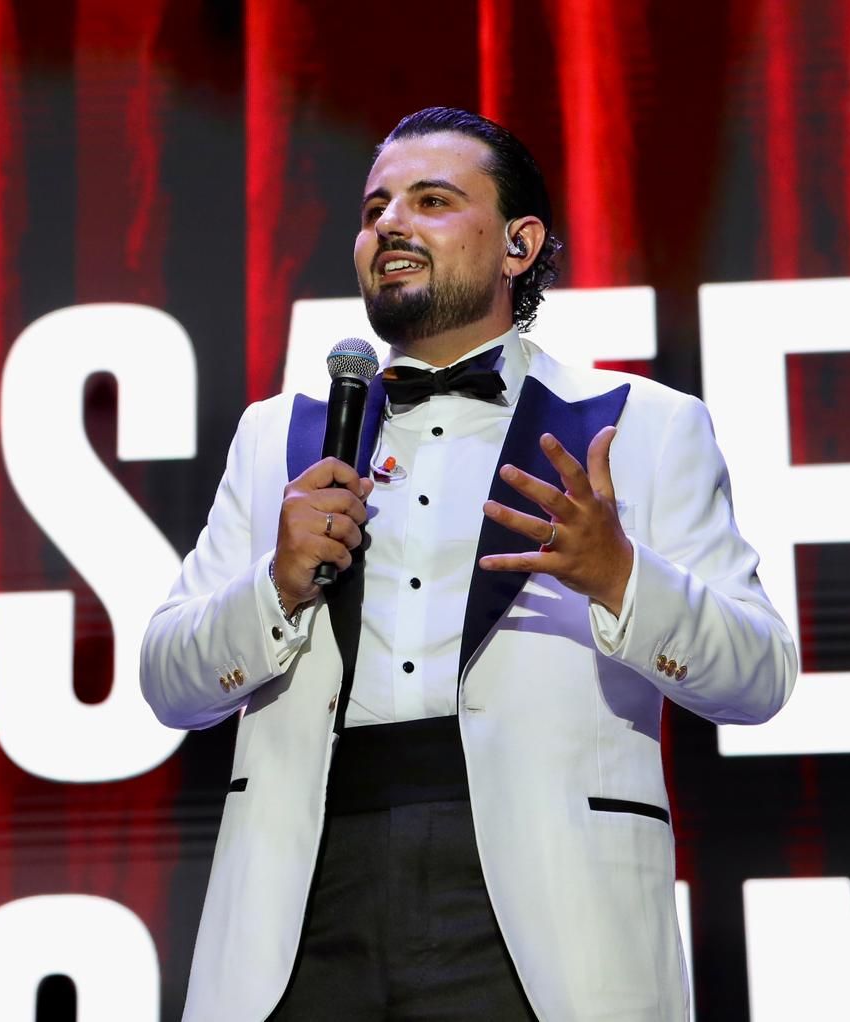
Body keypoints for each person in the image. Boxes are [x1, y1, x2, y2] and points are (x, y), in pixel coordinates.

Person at [141, 106, 797, 1021]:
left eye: (432, 201)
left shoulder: (642, 424)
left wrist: (621, 577)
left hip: (541, 907)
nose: (390, 227)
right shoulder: (274, 437)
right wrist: (277, 586)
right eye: (375, 210)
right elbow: (169, 683)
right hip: (305, 892)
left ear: (518, 244)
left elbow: (760, 676)